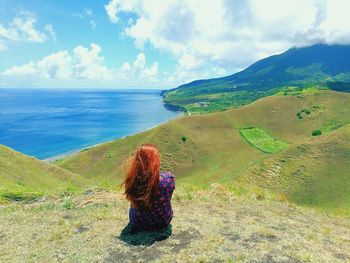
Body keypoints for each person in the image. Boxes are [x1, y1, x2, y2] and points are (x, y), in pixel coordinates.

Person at [123, 144, 175, 232]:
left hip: (138, 222)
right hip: (162, 221)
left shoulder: (131, 180)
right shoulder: (168, 179)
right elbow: (168, 197)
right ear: (156, 161)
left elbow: (130, 200)